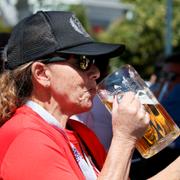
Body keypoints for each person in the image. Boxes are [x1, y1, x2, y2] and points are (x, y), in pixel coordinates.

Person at [0, 11, 179, 180]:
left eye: (94, 62)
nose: (96, 72)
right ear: (42, 73)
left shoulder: (79, 132)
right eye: (82, 62)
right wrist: (124, 138)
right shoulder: (27, 141)